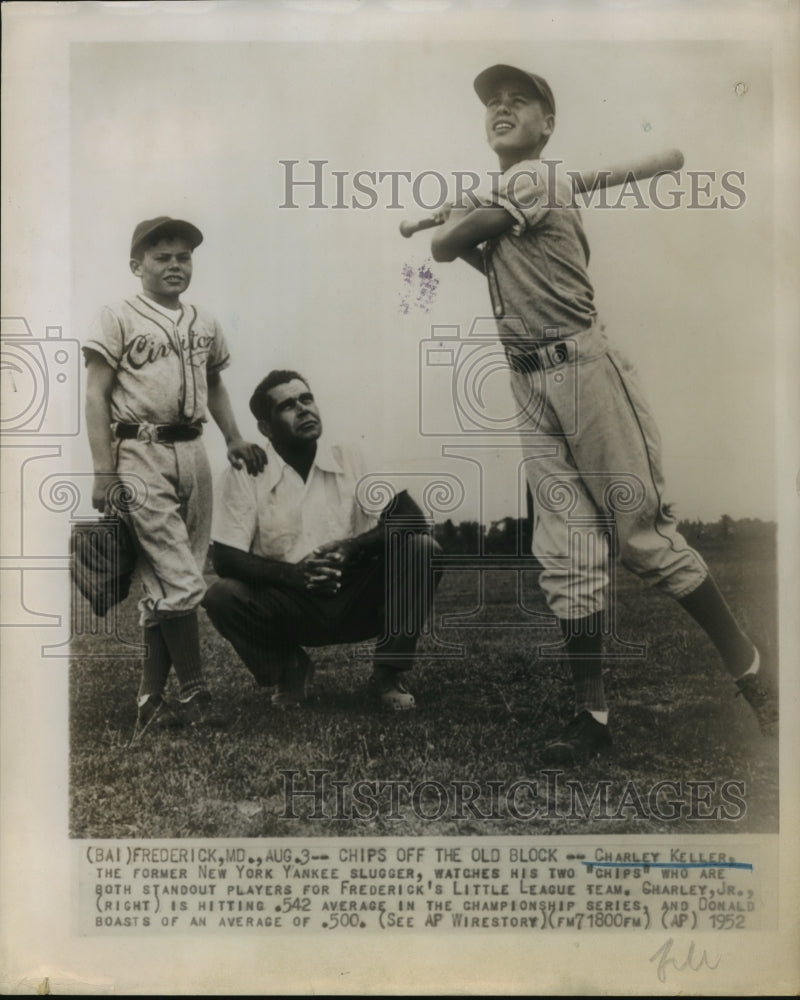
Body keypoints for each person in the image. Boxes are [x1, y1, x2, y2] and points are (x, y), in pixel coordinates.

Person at [430, 64, 777, 762]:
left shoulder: (535, 176)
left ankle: (754, 672)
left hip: (585, 371)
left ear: (546, 124)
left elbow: (443, 248)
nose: (501, 107)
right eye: (491, 103)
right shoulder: (514, 192)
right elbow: (484, 260)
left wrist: (456, 221)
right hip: (528, 379)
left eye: (517, 100)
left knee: (640, 538)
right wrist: (467, 219)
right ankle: (591, 717)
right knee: (566, 548)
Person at [83, 216, 266, 738]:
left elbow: (214, 384)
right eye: (161, 256)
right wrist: (102, 470)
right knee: (182, 580)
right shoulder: (117, 315)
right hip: (138, 450)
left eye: (183, 256)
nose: (174, 265)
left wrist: (233, 437)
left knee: (167, 583)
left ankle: (150, 700)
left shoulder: (204, 321)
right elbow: (95, 394)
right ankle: (196, 694)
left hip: (193, 449)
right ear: (137, 265)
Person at [203, 370, 439, 710]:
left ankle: (387, 677)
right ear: (266, 428)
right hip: (291, 605)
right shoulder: (247, 473)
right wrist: (291, 576)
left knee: (422, 549)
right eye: (287, 405)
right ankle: (290, 671)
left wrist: (352, 548)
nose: (303, 409)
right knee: (221, 596)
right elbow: (225, 557)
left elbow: (411, 517)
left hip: (358, 596)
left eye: (306, 399)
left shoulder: (350, 455)